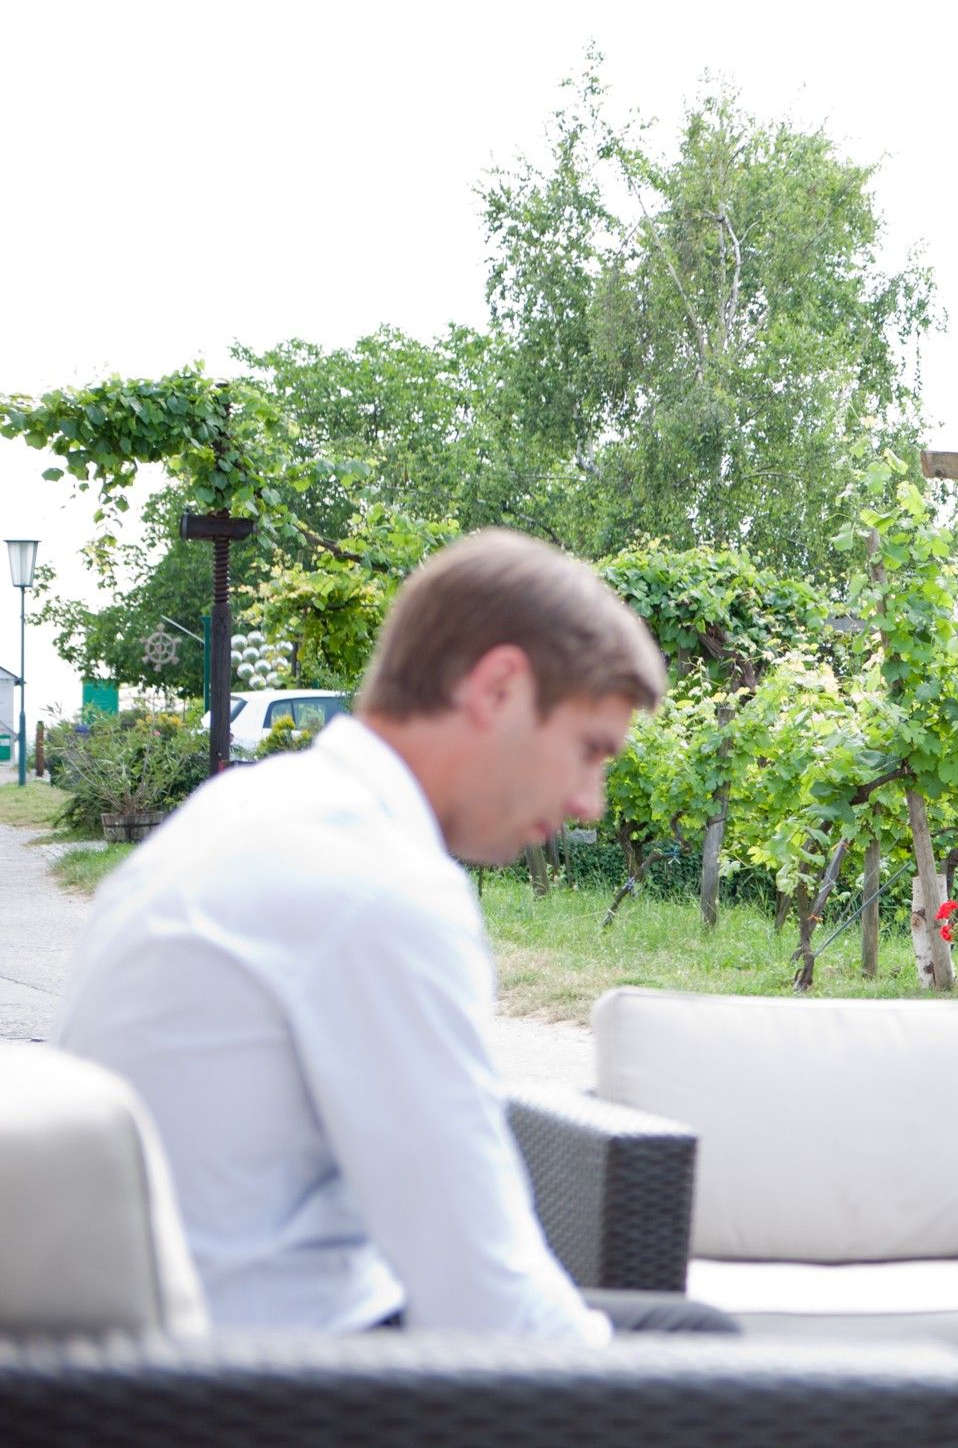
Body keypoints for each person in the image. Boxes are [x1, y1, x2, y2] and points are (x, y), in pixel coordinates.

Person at [56, 529, 732, 1337]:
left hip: (150, 1371)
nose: (591, 800)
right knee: (697, 1345)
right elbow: (486, 1307)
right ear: (500, 688)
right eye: (590, 750)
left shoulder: (250, 814)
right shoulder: (377, 886)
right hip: (266, 1403)